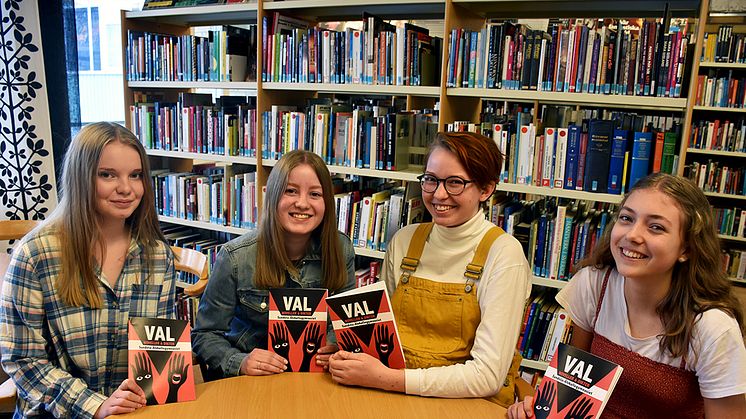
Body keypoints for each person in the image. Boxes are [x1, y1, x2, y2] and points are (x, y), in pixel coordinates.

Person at [507, 172, 746, 419]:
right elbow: (572, 387)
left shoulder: (713, 329)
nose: (632, 235)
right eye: (626, 218)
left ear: (686, 248)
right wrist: (539, 408)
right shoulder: (594, 283)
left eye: (656, 227)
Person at [328, 131, 531, 401]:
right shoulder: (404, 241)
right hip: (396, 395)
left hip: (468, 405)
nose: (439, 194)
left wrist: (386, 378)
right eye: (431, 180)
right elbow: (379, 339)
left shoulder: (504, 255)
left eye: (455, 183)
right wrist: (347, 351)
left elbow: (486, 376)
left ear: (486, 189)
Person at [0, 122, 176, 418]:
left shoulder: (158, 256)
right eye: (107, 175)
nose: (125, 188)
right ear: (81, 177)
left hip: (134, 411)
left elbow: (160, 352)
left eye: (135, 176)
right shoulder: (35, 254)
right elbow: (23, 359)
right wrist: (95, 406)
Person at [192, 149, 356, 378]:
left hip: (315, 379)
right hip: (252, 383)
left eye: (315, 194)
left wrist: (334, 346)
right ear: (272, 195)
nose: (302, 203)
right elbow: (204, 335)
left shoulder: (341, 249)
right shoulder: (235, 257)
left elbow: (347, 324)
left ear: (327, 201)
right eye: (291, 191)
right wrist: (241, 362)